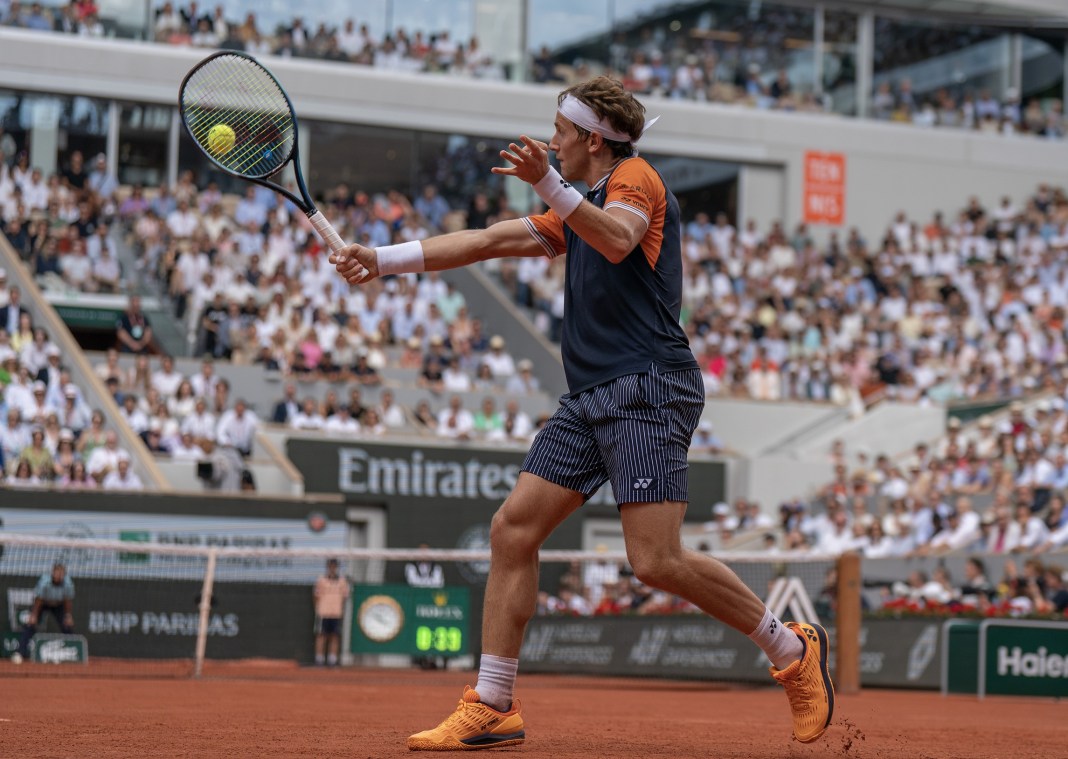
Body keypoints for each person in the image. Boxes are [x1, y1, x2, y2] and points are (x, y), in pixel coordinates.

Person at [333, 76, 833, 751]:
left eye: (560, 134)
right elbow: (487, 241)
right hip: (591, 395)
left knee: (654, 560)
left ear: (593, 140)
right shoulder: (580, 198)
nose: (552, 144)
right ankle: (493, 701)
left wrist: (548, 185)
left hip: (650, 387)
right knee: (513, 530)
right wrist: (382, 261)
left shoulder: (636, 178)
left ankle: (791, 649)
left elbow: (620, 240)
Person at [14, 561, 75, 663]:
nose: (59, 575)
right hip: (42, 604)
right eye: (57, 572)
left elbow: (67, 601)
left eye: (61, 573)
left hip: (58, 605)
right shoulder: (44, 582)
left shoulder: (68, 584)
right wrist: (34, 615)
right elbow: (38, 599)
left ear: (64, 574)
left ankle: (74, 652)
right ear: (53, 572)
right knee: (30, 625)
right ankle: (20, 653)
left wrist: (68, 616)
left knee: (67, 626)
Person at [313, 558, 349, 667]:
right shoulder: (321, 580)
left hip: (336, 613)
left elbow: (344, 597)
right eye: (330, 566)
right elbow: (315, 596)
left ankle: (332, 660)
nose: (332, 568)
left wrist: (339, 608)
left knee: (335, 636)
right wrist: (318, 609)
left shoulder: (342, 581)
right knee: (321, 635)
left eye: (334, 566)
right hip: (323, 612)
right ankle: (319, 659)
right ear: (328, 567)